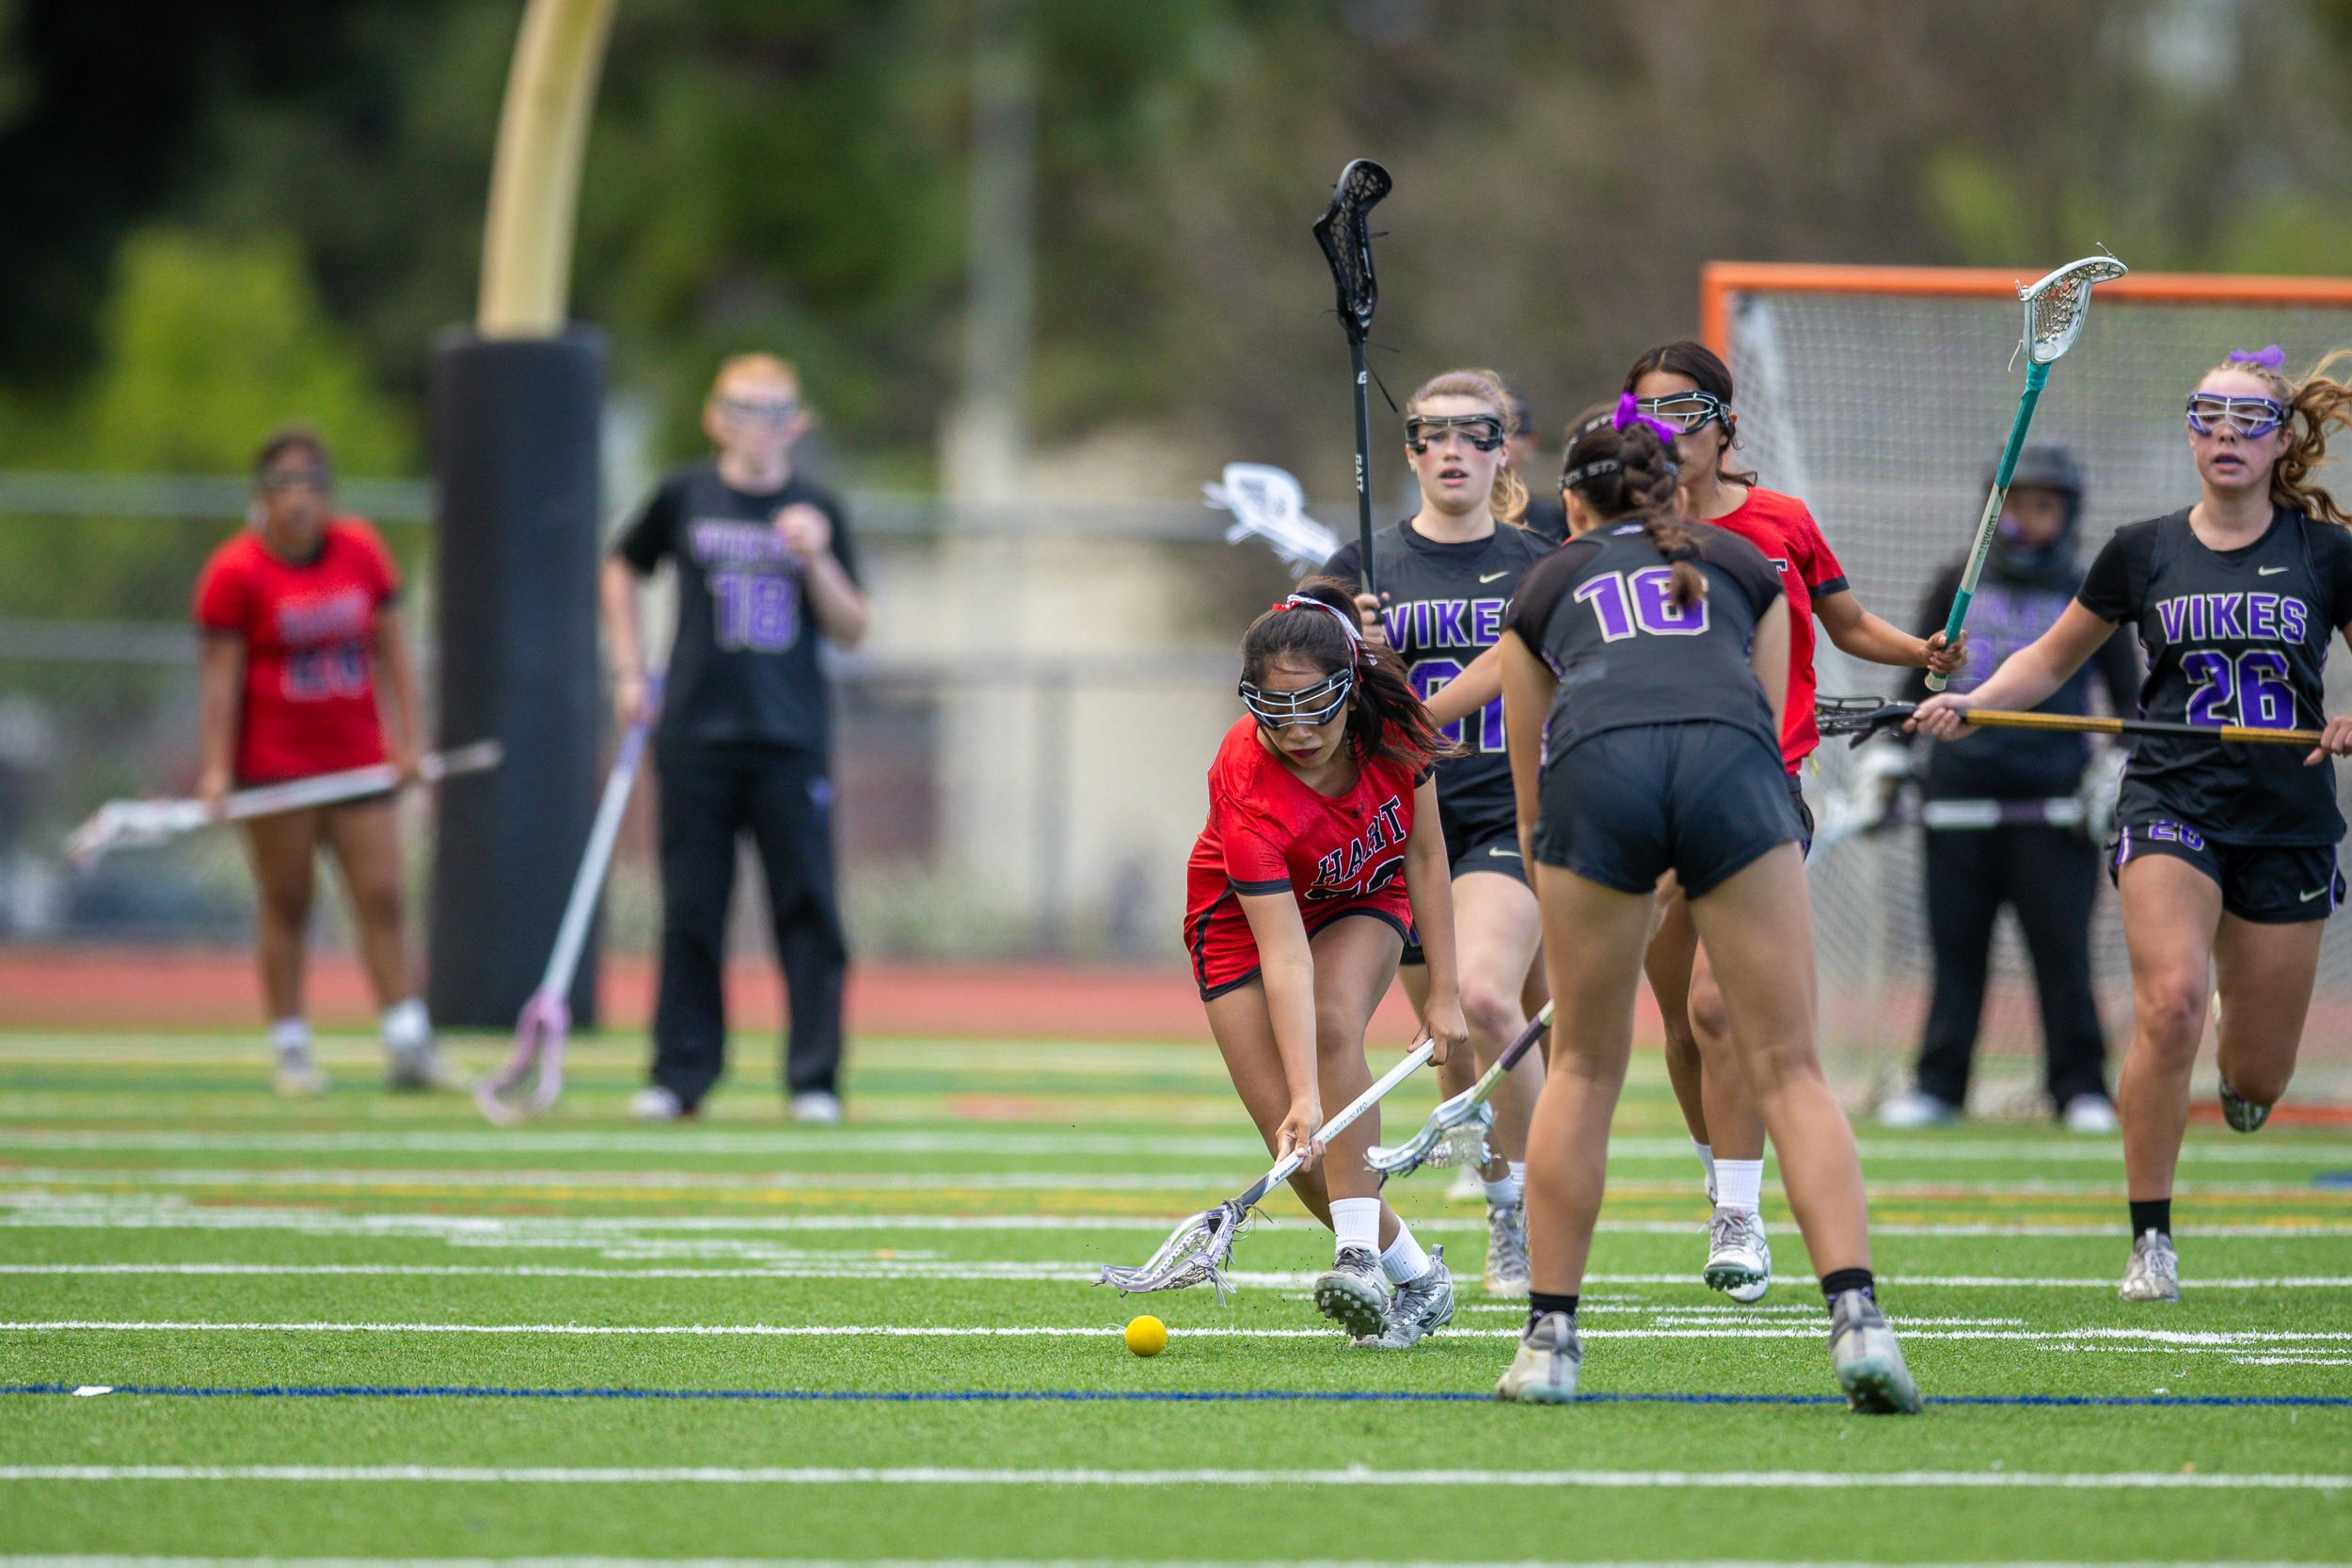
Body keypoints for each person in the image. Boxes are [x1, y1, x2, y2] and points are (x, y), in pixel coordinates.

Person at [1422, 342, 1964, 1301]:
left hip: (1731, 795)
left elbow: (1810, 659)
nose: (1668, 431)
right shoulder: (1576, 567)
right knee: (1681, 1023)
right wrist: (1414, 714)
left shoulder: (1762, 542)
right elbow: (1523, 666)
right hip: (1669, 799)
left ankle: (1725, 1230)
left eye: (1683, 412)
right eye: (1650, 415)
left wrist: (1922, 656)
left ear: (1723, 425)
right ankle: (1781, 1245)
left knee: (1707, 1016)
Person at [1492, 400, 1919, 1411]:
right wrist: (1692, 852)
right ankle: (1858, 1317)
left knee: (1584, 1064)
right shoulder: (1746, 566)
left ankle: (1549, 1338)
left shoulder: (1543, 582)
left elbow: (1531, 787)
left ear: (1572, 503)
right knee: (1790, 1066)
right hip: (1733, 777)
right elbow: (1764, 734)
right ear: (1674, 489)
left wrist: (1595, 880)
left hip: (1598, 779)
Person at [1913, 347, 2352, 1304]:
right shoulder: (2140, 549)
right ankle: (2151, 1237)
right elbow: (2048, 658)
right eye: (2206, 413)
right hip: (2169, 801)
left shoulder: (2326, 554)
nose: (2224, 432)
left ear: (2283, 441)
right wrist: (1975, 702)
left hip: (2287, 819)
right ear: (2189, 433)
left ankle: (2239, 1056)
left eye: (2247, 418)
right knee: (2169, 1004)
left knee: (2258, 1077)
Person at [1185, 579, 1469, 1346]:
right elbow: (1284, 953)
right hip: (1241, 924)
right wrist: (1306, 1098)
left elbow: (1426, 854)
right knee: (1303, 1155)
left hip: (1361, 890)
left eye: (1316, 707)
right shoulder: (1244, 779)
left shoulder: (1397, 724)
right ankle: (1418, 1276)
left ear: (1350, 686)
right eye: (1276, 713)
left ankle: (1356, 1257)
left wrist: (1443, 989)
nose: (1299, 731)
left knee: (1333, 1020)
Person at [1321, 368, 1550, 1298]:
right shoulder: (1359, 566)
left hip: (1505, 810)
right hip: (1403, 825)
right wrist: (1356, 650)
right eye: (1433, 432)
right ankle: (1496, 1191)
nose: (1453, 448)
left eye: (1475, 431)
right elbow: (1307, 697)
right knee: (1446, 1039)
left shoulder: (1543, 563)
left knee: (1486, 999)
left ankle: (1528, 1210)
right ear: (1409, 449)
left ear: (1503, 449)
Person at [604, 354, 874, 1124]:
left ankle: (814, 1078)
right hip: (696, 733)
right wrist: (629, 671)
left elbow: (854, 627)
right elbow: (621, 566)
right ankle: (681, 1074)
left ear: (797, 423)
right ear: (715, 418)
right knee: (692, 908)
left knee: (808, 907)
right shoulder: (684, 494)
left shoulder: (819, 506)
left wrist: (815, 558)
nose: (759, 424)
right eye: (743, 408)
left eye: (774, 409)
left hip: (790, 737)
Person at [1876, 445, 2138, 1132]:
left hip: (2054, 811)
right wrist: (1893, 759)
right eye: (2014, 503)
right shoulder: (1955, 586)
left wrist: (2112, 770)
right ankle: (1939, 1085)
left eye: (2043, 505)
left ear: (2068, 513)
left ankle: (2079, 1086)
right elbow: (1916, 686)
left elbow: (2128, 703)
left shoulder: (2084, 593)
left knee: (2062, 954)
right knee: (1956, 951)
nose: (2027, 517)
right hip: (1955, 802)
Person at [193, 426, 449, 1095]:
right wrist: (217, 769)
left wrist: (410, 739)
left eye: (312, 483)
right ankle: (292, 1048)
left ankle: (408, 1042)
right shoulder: (235, 570)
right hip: (277, 764)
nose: (300, 498)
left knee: (383, 895)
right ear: (262, 495)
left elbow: (396, 650)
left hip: (357, 757)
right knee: (288, 900)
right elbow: (221, 680)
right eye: (285, 485)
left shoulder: (360, 550)